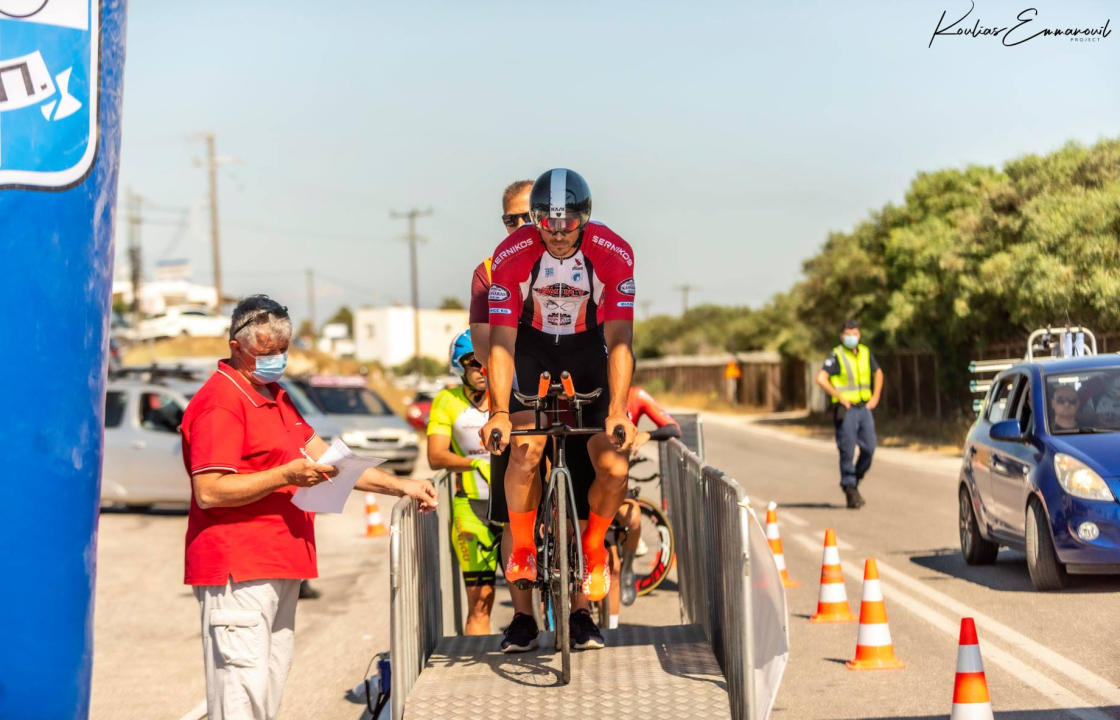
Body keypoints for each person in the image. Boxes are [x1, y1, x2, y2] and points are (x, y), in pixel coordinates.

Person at [181, 295, 437, 720]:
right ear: (235, 346)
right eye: (265, 352)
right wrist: (285, 476)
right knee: (241, 692)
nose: (276, 360)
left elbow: (327, 459)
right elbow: (210, 490)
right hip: (239, 568)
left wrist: (400, 485)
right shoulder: (221, 402)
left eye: (282, 350)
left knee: (266, 687)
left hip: (280, 563)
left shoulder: (274, 395)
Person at [481, 168, 638, 652]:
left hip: (587, 348)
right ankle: (525, 553)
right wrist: (500, 411)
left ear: (584, 219)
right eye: (546, 224)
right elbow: (502, 343)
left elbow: (619, 340)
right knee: (525, 452)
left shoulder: (614, 252)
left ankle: (591, 550)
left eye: (567, 224)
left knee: (613, 463)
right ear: (534, 221)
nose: (557, 234)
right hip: (531, 349)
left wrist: (617, 410)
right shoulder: (511, 255)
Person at [426, 330, 496, 635]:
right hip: (472, 507)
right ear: (459, 366)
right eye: (473, 364)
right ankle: (478, 675)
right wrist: (473, 463)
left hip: (516, 504)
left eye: (487, 363)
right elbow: (436, 456)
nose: (482, 371)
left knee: (532, 590)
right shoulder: (446, 401)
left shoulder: (511, 398)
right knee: (480, 604)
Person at [605, 384, 681, 624]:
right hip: (590, 477)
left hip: (617, 478)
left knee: (633, 519)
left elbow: (673, 428)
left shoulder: (635, 395)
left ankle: (628, 567)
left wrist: (647, 434)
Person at [814, 319, 884, 509]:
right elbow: (821, 378)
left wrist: (876, 397)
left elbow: (878, 373)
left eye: (854, 333)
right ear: (841, 336)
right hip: (846, 410)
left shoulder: (865, 353)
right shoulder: (836, 355)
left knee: (869, 448)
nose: (851, 337)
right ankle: (850, 489)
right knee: (847, 450)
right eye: (847, 334)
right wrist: (839, 397)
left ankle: (854, 479)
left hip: (864, 408)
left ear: (859, 335)